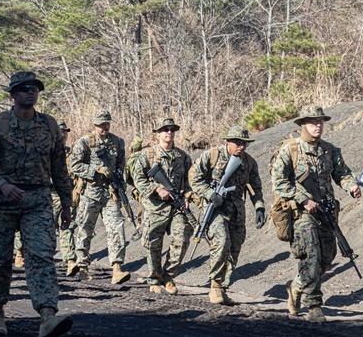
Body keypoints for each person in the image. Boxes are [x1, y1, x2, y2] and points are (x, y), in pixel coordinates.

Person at [0, 71, 74, 337]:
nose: (31, 92)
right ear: (13, 94)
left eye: (35, 89)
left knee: (41, 256)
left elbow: (59, 169)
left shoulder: (50, 126)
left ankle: (47, 315)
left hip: (38, 201)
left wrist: (66, 203)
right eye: (24, 88)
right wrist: (2, 185)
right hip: (2, 204)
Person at [271, 105, 360, 323]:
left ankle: (296, 286)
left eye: (320, 121)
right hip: (302, 213)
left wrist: (351, 185)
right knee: (310, 256)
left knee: (328, 256)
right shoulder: (291, 149)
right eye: (313, 122)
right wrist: (302, 199)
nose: (318, 125)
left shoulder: (330, 150)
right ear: (302, 124)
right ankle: (314, 306)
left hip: (326, 211)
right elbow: (278, 182)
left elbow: (342, 173)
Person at [190, 126, 266, 306]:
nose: (241, 147)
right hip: (216, 209)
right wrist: (210, 194)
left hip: (237, 210)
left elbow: (255, 188)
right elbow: (194, 179)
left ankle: (223, 287)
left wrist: (260, 207)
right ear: (227, 142)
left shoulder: (249, 162)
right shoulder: (212, 156)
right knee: (221, 242)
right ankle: (215, 285)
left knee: (235, 248)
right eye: (238, 143)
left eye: (245, 144)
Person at [68, 111, 131, 284]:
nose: (104, 127)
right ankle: (82, 266)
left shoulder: (118, 142)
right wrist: (94, 171)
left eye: (107, 123)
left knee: (116, 228)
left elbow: (120, 165)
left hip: (110, 192)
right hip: (91, 191)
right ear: (94, 125)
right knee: (85, 228)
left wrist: (120, 183)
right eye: (101, 124)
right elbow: (74, 165)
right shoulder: (85, 142)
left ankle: (117, 268)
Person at [132, 116, 193, 295]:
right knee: (153, 244)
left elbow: (190, 180)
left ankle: (168, 275)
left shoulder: (182, 156)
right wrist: (157, 189)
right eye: (165, 129)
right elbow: (138, 179)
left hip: (176, 206)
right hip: (155, 207)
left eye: (172, 129)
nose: (169, 132)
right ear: (158, 133)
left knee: (182, 239)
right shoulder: (149, 155)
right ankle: (154, 278)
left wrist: (187, 195)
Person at [54, 121, 77, 272]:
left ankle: (70, 260)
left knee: (67, 226)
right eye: (59, 131)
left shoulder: (71, 154)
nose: (63, 134)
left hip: (66, 194)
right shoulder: (45, 151)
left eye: (65, 132)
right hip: (48, 194)